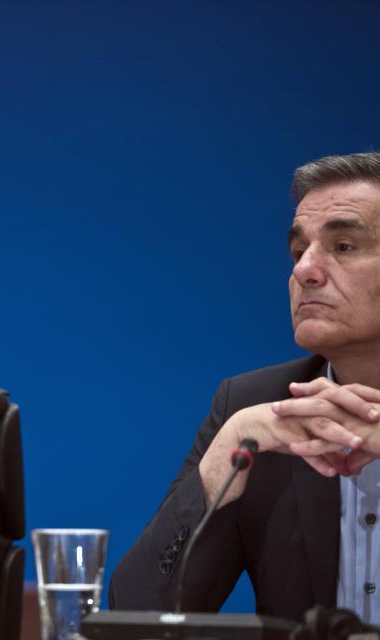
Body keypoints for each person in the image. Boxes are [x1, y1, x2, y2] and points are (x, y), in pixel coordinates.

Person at [109, 152, 380, 624]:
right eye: (298, 252)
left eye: (343, 246)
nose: (304, 271)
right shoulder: (258, 409)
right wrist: (228, 452)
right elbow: (135, 618)